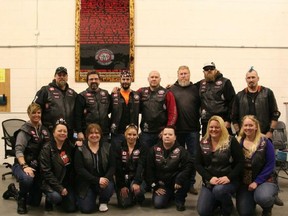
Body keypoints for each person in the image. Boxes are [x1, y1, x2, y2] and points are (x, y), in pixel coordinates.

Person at [231, 66, 283, 206]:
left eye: (253, 77)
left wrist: (270, 133)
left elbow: (275, 113)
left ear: (258, 78)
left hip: (265, 134)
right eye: (248, 78)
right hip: (245, 136)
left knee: (269, 164)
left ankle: (273, 192)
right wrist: (238, 134)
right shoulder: (239, 95)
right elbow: (234, 117)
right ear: (246, 80)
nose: (251, 80)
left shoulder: (267, 93)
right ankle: (246, 190)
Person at [195, 115, 244, 216]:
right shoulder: (203, 142)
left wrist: (229, 177)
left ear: (222, 127)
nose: (213, 129)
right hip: (210, 182)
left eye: (217, 127)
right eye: (211, 127)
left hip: (228, 180)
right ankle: (218, 200)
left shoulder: (231, 141)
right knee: (203, 212)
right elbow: (197, 164)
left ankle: (228, 207)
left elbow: (240, 162)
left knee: (219, 190)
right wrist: (209, 178)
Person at [12, 103, 50, 214]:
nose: (36, 115)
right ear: (29, 114)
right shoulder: (24, 131)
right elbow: (18, 150)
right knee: (27, 178)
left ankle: (13, 191)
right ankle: (21, 199)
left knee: (35, 202)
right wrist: (25, 166)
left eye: (38, 112)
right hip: (22, 165)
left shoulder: (44, 130)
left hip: (38, 166)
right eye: (33, 112)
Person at [236, 115, 278, 216]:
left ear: (256, 127)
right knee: (244, 212)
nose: (248, 128)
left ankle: (267, 207)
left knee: (263, 198)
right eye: (245, 125)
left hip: (265, 180)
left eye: (251, 125)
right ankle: (252, 199)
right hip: (245, 183)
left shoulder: (265, 142)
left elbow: (270, 165)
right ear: (242, 127)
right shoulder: (237, 142)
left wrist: (257, 182)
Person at [169, 65, 201, 195]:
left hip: (193, 130)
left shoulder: (196, 89)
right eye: (181, 74)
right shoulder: (171, 89)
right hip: (177, 131)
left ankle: (191, 184)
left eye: (186, 73)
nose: (183, 76)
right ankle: (179, 182)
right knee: (177, 158)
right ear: (177, 75)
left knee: (193, 158)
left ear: (189, 75)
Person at [146, 125, 193, 211]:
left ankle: (179, 200)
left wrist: (180, 179)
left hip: (177, 183)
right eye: (165, 134)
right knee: (158, 204)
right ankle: (170, 195)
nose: (167, 136)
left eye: (170, 134)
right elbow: (149, 170)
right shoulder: (153, 150)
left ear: (175, 137)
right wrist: (155, 186)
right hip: (162, 184)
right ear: (162, 136)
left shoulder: (182, 151)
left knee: (186, 179)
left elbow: (189, 167)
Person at [74, 123, 115, 213]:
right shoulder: (80, 148)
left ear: (101, 134)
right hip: (86, 182)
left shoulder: (107, 146)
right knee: (86, 209)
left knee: (109, 186)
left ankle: (103, 201)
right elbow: (79, 169)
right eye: (91, 133)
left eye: (97, 133)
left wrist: (106, 178)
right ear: (87, 135)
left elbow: (112, 166)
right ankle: (85, 197)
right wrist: (97, 180)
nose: (94, 135)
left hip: (103, 181)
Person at [39, 118, 77, 213]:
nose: (62, 133)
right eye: (59, 131)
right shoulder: (47, 148)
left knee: (71, 208)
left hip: (66, 183)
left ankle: (62, 198)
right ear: (53, 133)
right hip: (52, 183)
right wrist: (60, 188)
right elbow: (46, 172)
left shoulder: (70, 147)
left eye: (65, 131)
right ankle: (49, 198)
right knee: (56, 198)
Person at [33, 66, 77, 140]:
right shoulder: (45, 90)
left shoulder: (73, 94)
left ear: (67, 77)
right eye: (59, 75)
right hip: (49, 132)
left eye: (64, 75)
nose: (62, 77)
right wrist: (37, 125)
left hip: (68, 132)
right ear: (55, 76)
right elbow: (33, 108)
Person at [137, 70, 177, 148]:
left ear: (160, 79)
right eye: (152, 77)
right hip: (146, 133)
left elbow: (173, 113)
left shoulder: (167, 93)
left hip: (161, 133)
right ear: (148, 79)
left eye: (156, 77)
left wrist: (167, 130)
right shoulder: (141, 92)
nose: (154, 79)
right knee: (146, 157)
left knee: (160, 158)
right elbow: (130, 95)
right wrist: (118, 89)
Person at [196, 62, 236, 135]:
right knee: (207, 145)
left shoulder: (225, 82)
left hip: (222, 122)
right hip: (206, 122)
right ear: (203, 72)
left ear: (215, 70)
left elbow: (233, 102)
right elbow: (188, 87)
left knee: (225, 145)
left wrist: (228, 120)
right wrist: (173, 86)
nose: (209, 70)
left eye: (211, 68)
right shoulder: (200, 84)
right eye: (206, 69)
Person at [115, 124, 147, 208]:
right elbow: (117, 168)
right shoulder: (118, 147)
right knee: (124, 204)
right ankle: (130, 196)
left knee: (138, 190)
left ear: (137, 135)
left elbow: (141, 166)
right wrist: (122, 186)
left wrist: (136, 182)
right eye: (129, 134)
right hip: (123, 178)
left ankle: (139, 197)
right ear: (125, 134)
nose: (131, 137)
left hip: (137, 177)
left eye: (134, 134)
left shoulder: (143, 147)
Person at [74, 71, 111, 142]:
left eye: (96, 79)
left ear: (99, 80)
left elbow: (110, 110)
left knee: (104, 152)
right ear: (87, 81)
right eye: (91, 79)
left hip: (105, 132)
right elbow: (77, 116)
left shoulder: (106, 94)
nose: (94, 81)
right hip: (89, 133)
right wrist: (79, 131)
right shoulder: (81, 96)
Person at [110, 70, 140, 147]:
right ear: (120, 80)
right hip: (117, 132)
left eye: (127, 79)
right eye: (123, 79)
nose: (125, 81)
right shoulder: (113, 95)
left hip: (132, 133)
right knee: (116, 155)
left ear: (131, 80)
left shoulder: (136, 95)